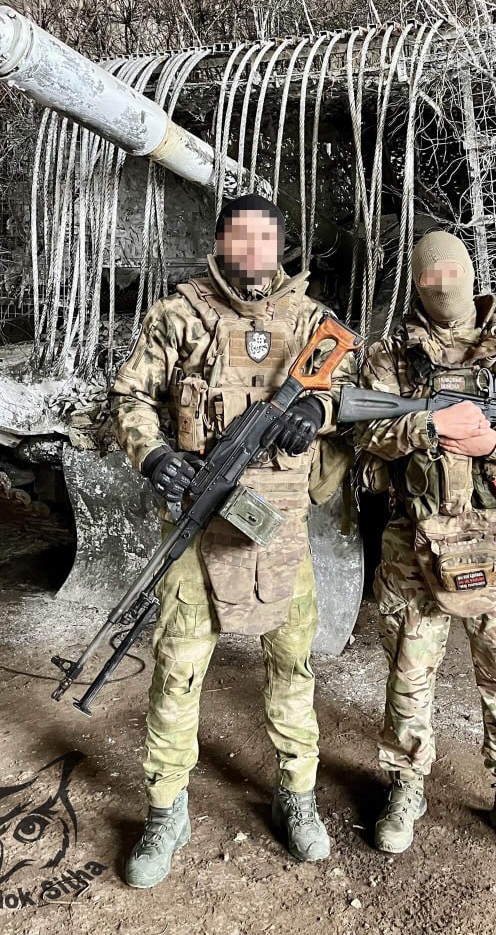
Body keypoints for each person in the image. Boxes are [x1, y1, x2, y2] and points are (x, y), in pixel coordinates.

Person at [110, 194, 350, 886]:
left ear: (280, 247)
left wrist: (316, 408)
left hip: (283, 530)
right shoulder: (178, 314)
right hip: (200, 525)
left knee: (293, 669)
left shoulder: (310, 321)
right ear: (220, 243)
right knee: (177, 669)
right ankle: (165, 811)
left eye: (264, 238)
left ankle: (296, 797)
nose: (252, 250)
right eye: (239, 237)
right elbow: (128, 398)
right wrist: (154, 456)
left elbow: (351, 391)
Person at [357, 230, 496, 863]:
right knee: (409, 672)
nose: (441, 285)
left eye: (452, 273)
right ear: (415, 284)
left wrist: (494, 443)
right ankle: (405, 785)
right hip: (413, 543)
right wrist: (427, 424)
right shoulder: (389, 358)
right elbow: (362, 431)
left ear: (473, 277)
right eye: (429, 276)